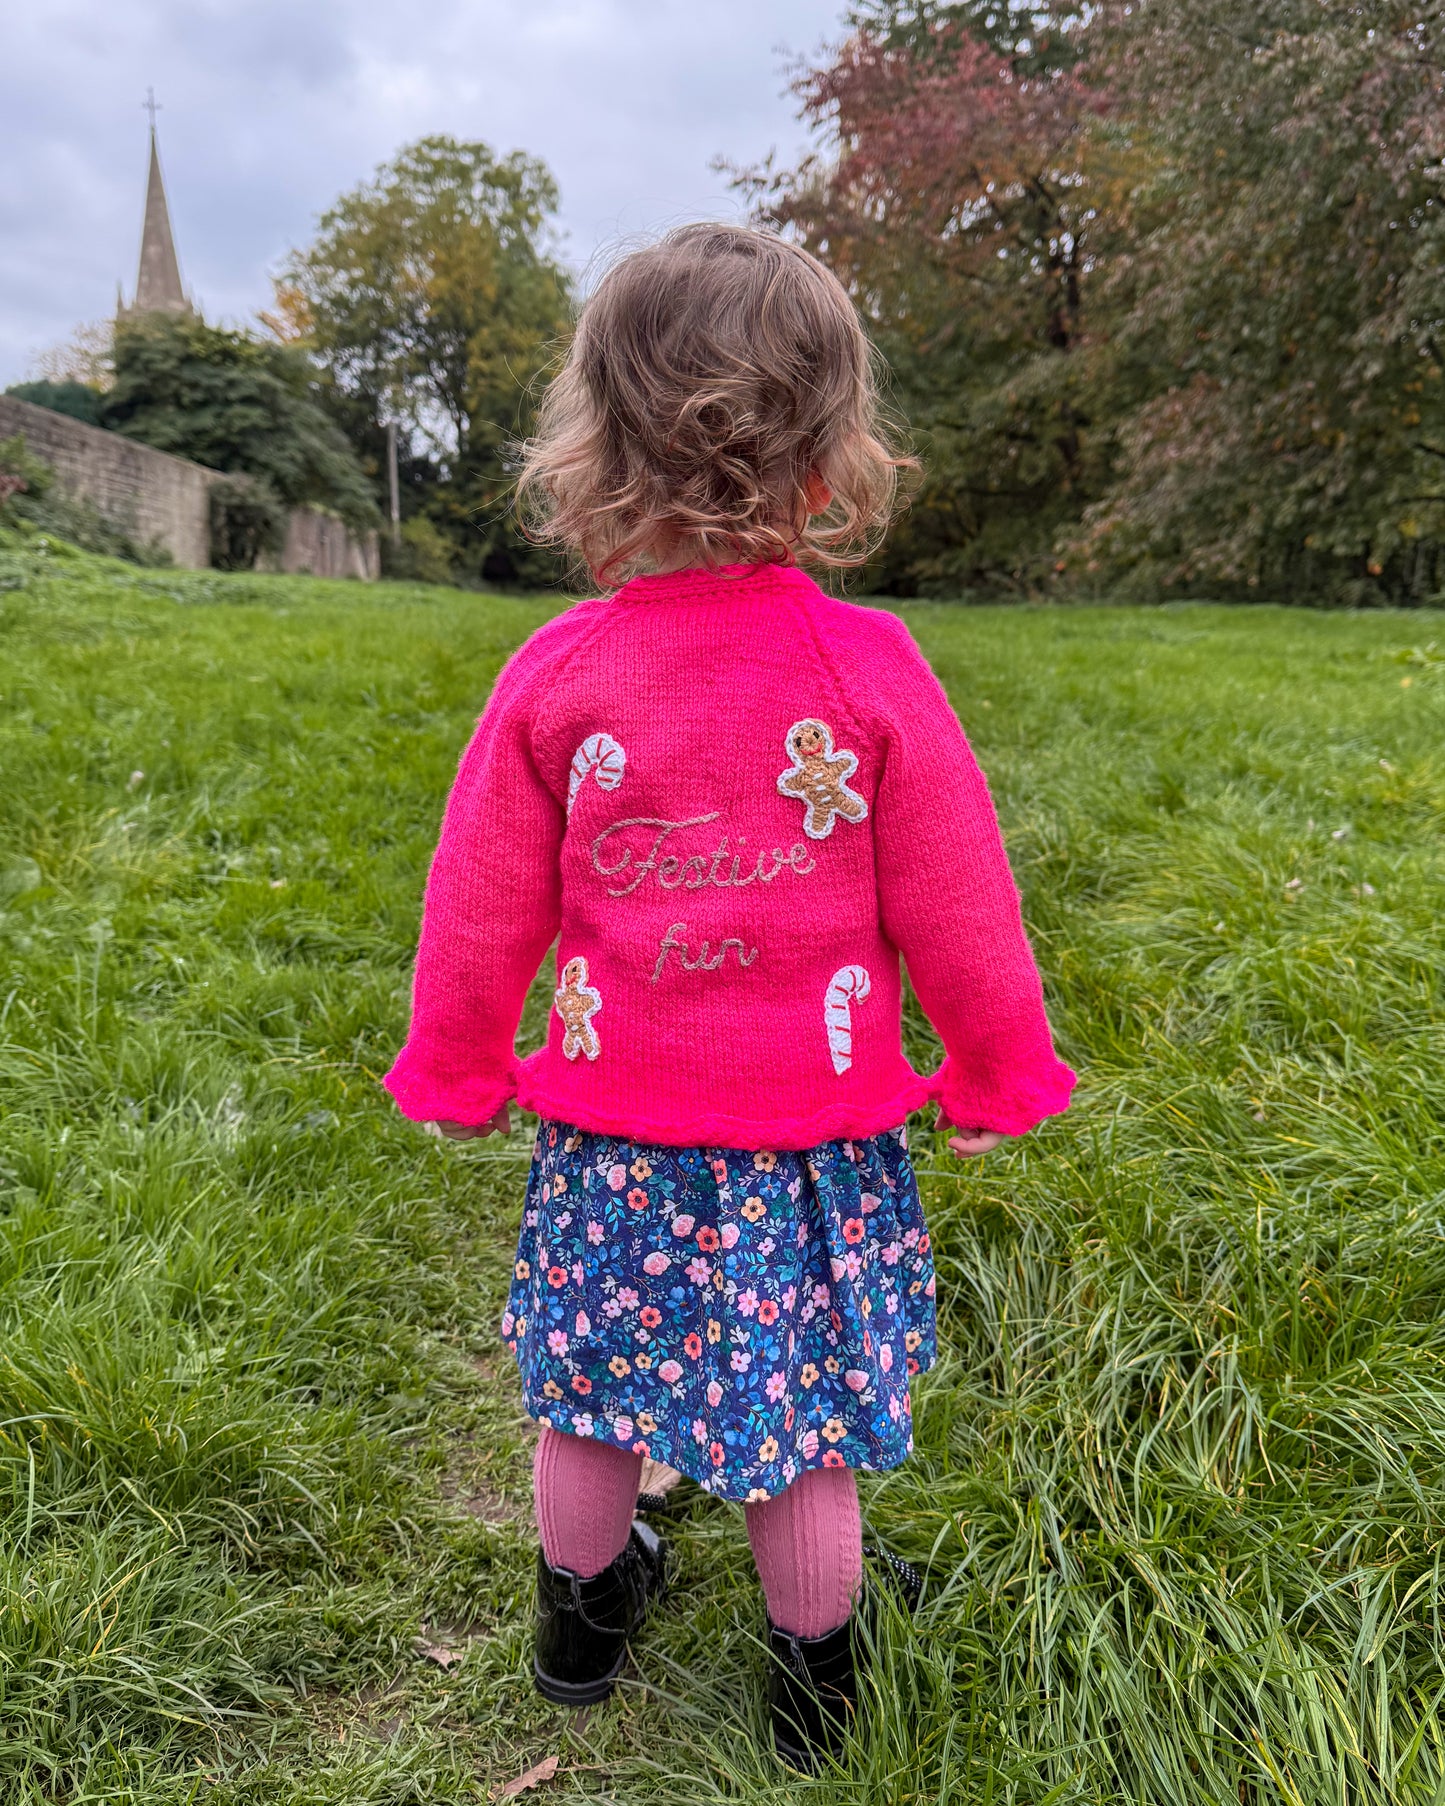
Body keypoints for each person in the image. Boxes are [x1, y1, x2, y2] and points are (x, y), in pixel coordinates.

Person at [385, 223, 1075, 1768]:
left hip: (609, 1133)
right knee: (799, 1415)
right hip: (808, 1142)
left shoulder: (560, 671)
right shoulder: (868, 665)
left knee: (587, 1389)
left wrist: (455, 1058)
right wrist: (995, 1068)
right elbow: (957, 901)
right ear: (831, 457)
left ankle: (580, 1623)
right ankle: (815, 1679)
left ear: (592, 450)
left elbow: (480, 898)